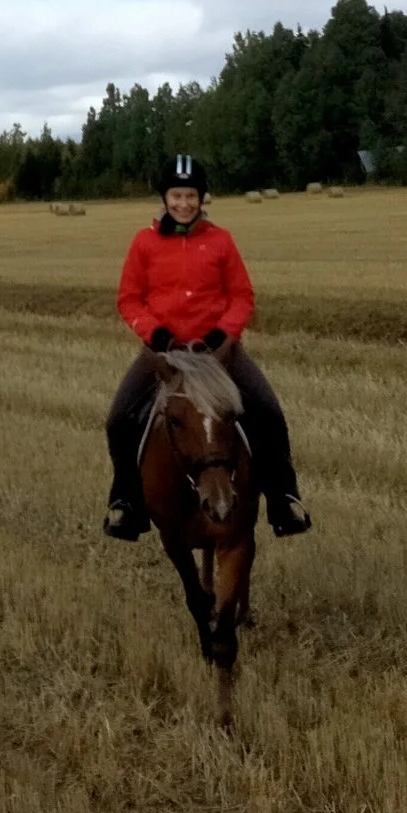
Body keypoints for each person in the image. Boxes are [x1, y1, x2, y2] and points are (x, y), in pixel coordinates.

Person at [103, 153, 310, 540]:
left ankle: (283, 499)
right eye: (176, 196)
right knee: (119, 420)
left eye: (191, 196)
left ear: (201, 199)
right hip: (163, 354)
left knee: (269, 413)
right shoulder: (144, 243)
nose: (183, 204)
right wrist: (155, 334)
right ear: (164, 199)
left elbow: (242, 297)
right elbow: (129, 300)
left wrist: (222, 334)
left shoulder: (220, 241)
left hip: (219, 355)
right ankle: (127, 503)